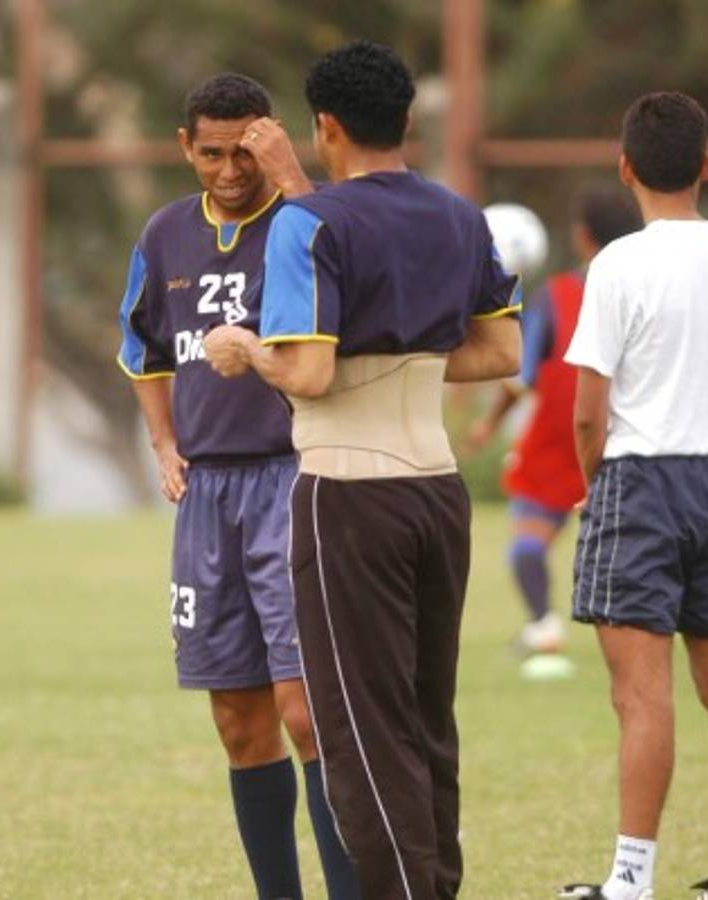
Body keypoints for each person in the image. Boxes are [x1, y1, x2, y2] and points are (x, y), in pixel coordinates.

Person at [203, 40, 522, 900]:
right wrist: (401, 354)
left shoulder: (306, 223)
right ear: (410, 122)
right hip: (439, 491)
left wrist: (244, 350)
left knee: (359, 730)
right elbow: (501, 351)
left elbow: (305, 372)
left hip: (348, 498)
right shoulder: (462, 215)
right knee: (426, 721)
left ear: (324, 127)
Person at [116, 72, 358, 900]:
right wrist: (163, 441)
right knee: (237, 719)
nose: (228, 169)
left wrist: (294, 175)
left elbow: (351, 259)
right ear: (187, 147)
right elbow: (143, 348)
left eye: (243, 149)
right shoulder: (164, 235)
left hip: (290, 482)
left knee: (306, 712)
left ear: (270, 138)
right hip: (208, 500)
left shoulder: (302, 220)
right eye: (211, 152)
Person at [559, 93, 708, 900]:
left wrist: (595, 492)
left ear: (625, 168)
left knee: (641, 697)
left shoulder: (617, 265)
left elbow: (589, 412)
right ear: (707, 167)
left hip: (641, 481)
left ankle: (629, 883)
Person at [467, 188, 641, 653]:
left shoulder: (559, 295)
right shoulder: (651, 291)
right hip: (631, 433)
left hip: (561, 435)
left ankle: (543, 624)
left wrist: (489, 423)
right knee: (662, 545)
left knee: (527, 544)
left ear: (583, 237)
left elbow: (519, 372)